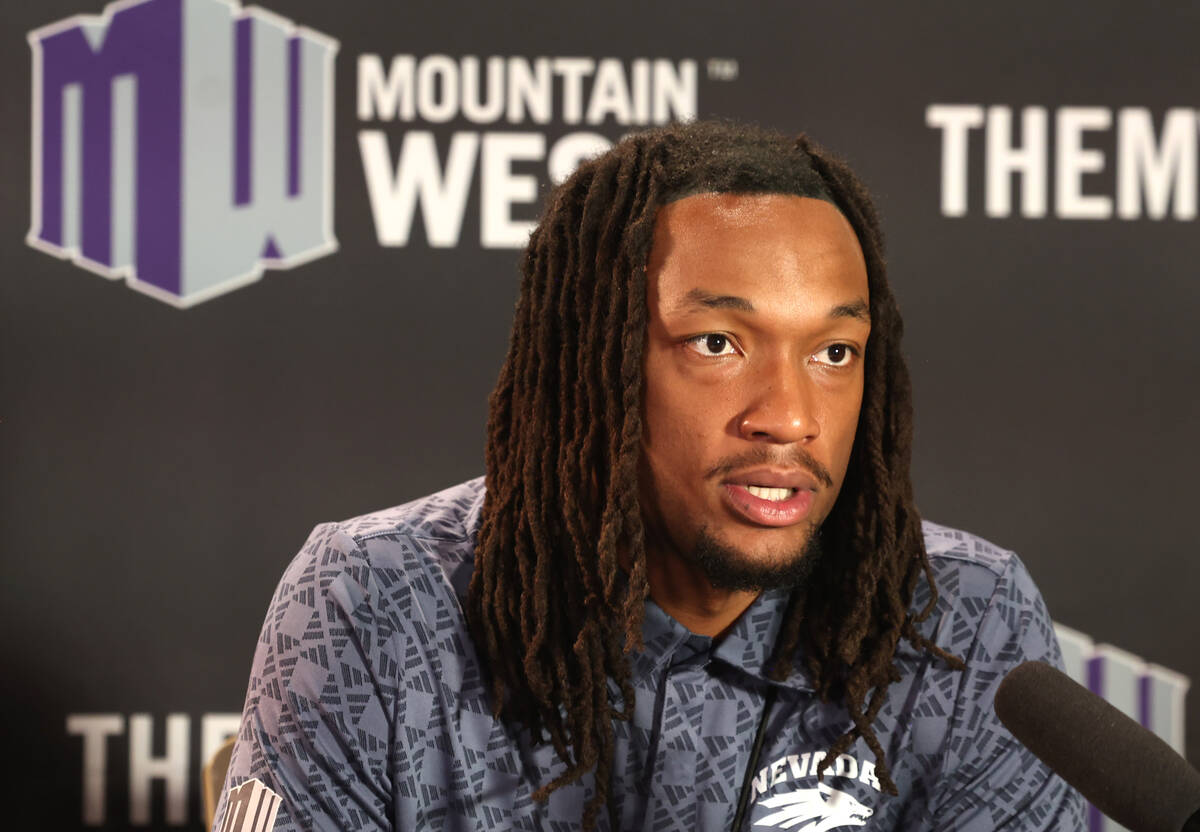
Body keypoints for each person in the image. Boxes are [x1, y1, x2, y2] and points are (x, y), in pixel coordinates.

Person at [213, 121, 1085, 832]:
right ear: (595, 362)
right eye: (717, 343)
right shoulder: (375, 604)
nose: (788, 416)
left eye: (833, 351)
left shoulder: (970, 626)